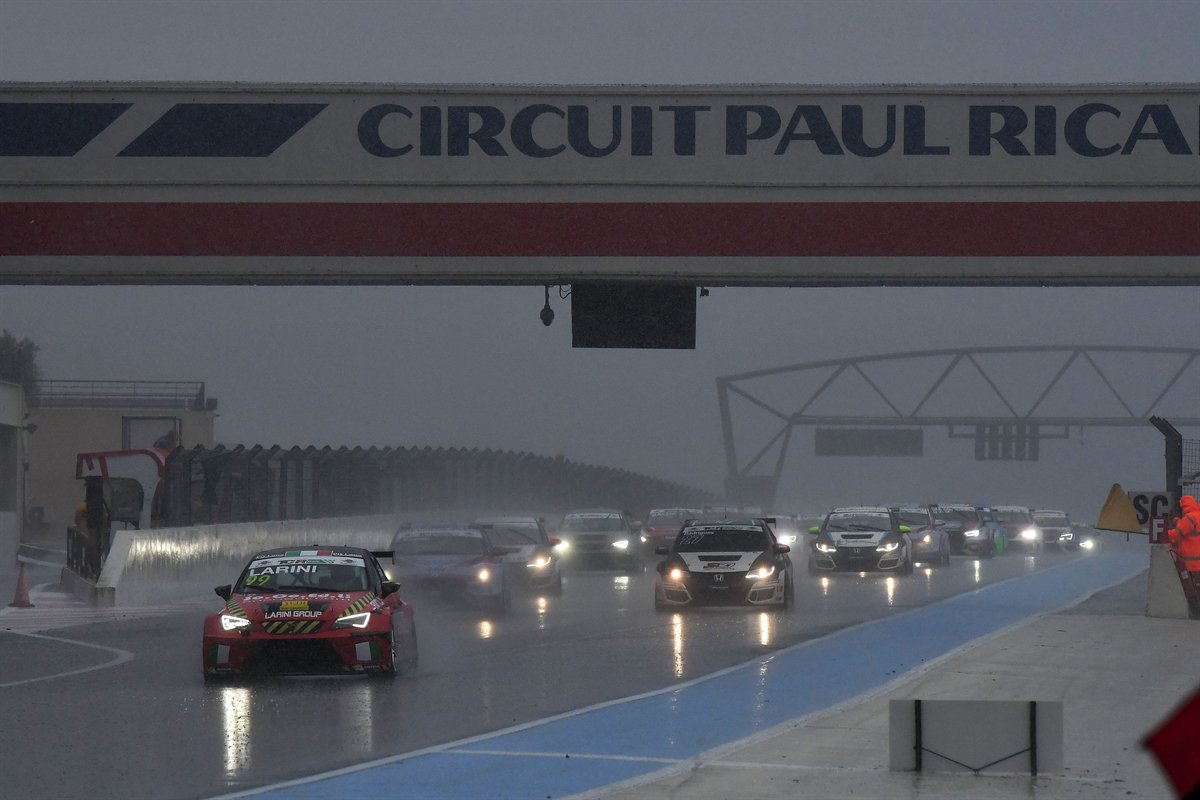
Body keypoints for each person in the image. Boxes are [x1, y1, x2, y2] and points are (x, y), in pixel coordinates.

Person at [1168, 495, 1200, 583]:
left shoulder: (1190, 518)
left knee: (1189, 587)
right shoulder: (1197, 515)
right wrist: (1176, 520)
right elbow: (1185, 527)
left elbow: (1178, 533)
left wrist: (1165, 534)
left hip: (1190, 563)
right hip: (1197, 562)